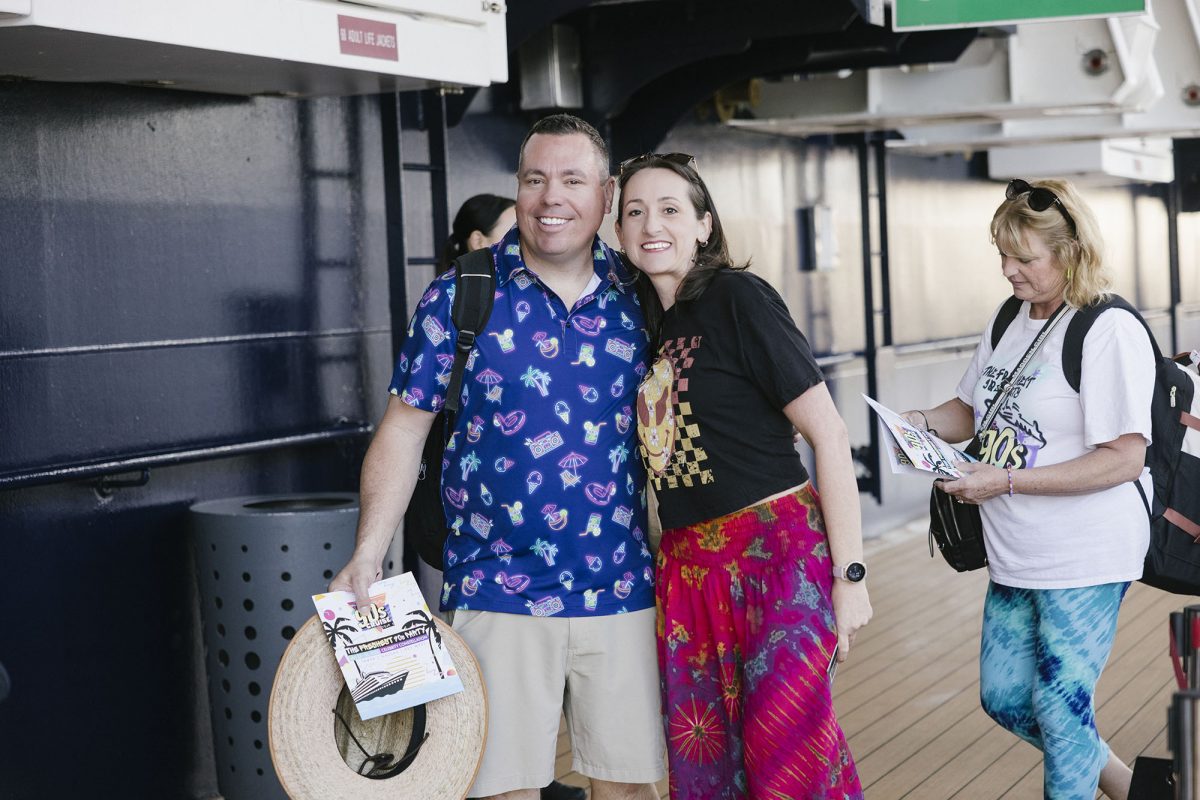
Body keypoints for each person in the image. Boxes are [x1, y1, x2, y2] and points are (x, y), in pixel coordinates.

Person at [330, 114, 666, 800]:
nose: (551, 197)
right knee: (500, 790)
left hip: (624, 588)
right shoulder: (462, 294)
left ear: (605, 194)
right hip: (495, 590)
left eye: (572, 180)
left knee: (629, 789)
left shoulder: (644, 296)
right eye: (535, 179)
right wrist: (368, 552)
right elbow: (402, 433)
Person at [614, 153, 872, 799]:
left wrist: (851, 578)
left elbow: (829, 434)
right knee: (708, 766)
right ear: (618, 231)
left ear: (704, 224)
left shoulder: (738, 297)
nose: (652, 224)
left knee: (789, 755)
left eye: (670, 209)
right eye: (635, 212)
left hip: (775, 560)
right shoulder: (641, 324)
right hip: (688, 574)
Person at [902, 178, 1155, 800]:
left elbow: (1125, 459)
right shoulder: (1009, 318)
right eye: (1002, 255)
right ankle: (1136, 790)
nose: (1007, 270)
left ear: (1070, 254)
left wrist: (1007, 479)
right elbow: (972, 409)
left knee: (1062, 707)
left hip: (1087, 551)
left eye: (1023, 258)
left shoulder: (1106, 328)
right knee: (1006, 698)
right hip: (1017, 549)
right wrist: (917, 423)